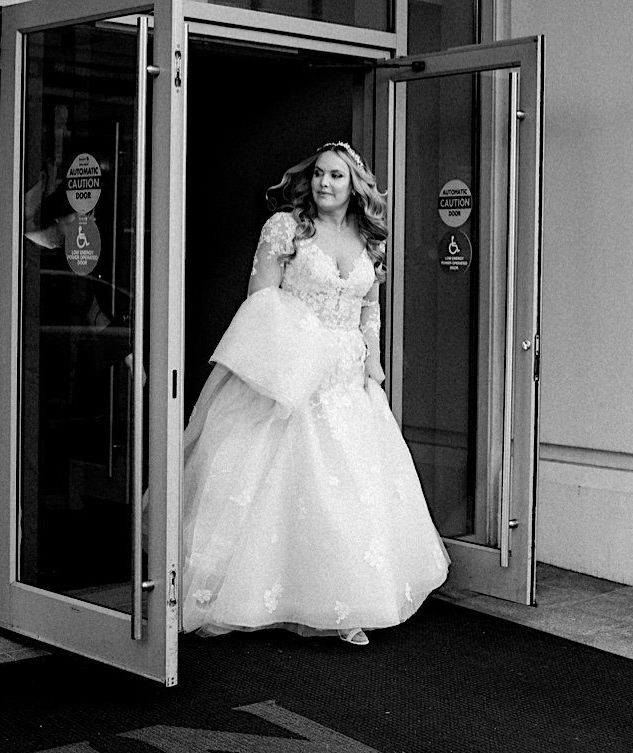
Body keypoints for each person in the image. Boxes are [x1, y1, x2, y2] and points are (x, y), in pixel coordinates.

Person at [180, 142, 450, 645]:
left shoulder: (370, 239)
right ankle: (264, 596)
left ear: (355, 187)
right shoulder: (286, 227)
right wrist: (295, 353)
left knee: (348, 487)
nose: (325, 183)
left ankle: (345, 602)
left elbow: (370, 307)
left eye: (337, 176)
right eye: (320, 174)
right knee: (285, 481)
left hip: (349, 379)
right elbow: (260, 299)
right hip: (294, 371)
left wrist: (374, 362)